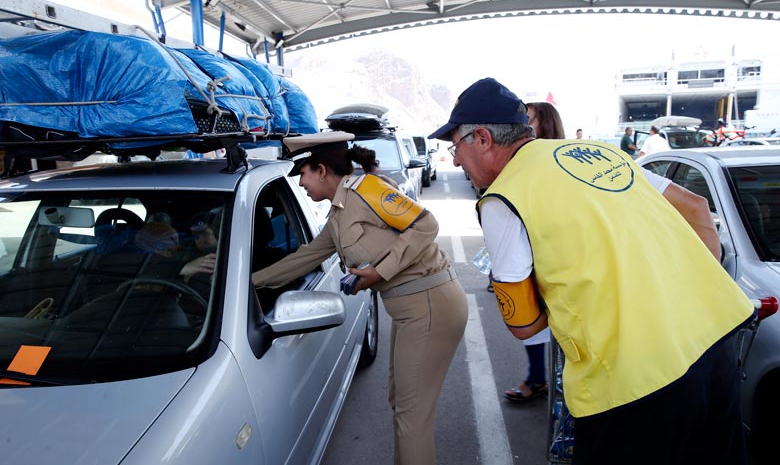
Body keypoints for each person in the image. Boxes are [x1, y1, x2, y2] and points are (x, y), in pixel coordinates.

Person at [429, 77, 753, 465]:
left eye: (455, 147)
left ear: (482, 138)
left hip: (632, 381)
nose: (454, 160)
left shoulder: (504, 197)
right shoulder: (598, 152)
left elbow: (523, 326)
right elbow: (697, 207)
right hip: (716, 344)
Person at [252, 131, 468, 465]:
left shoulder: (366, 190)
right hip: (412, 310)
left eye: (303, 174)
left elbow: (426, 225)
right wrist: (250, 281)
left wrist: (380, 271)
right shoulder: (338, 212)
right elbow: (304, 258)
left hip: (431, 304)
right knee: (402, 404)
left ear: (321, 170)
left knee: (411, 418)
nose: (302, 184)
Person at [502, 101, 563, 403]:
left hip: (558, 264)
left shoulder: (557, 163)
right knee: (536, 327)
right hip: (534, 260)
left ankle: (546, 384)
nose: (520, 125)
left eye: (528, 120)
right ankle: (538, 378)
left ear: (545, 125)